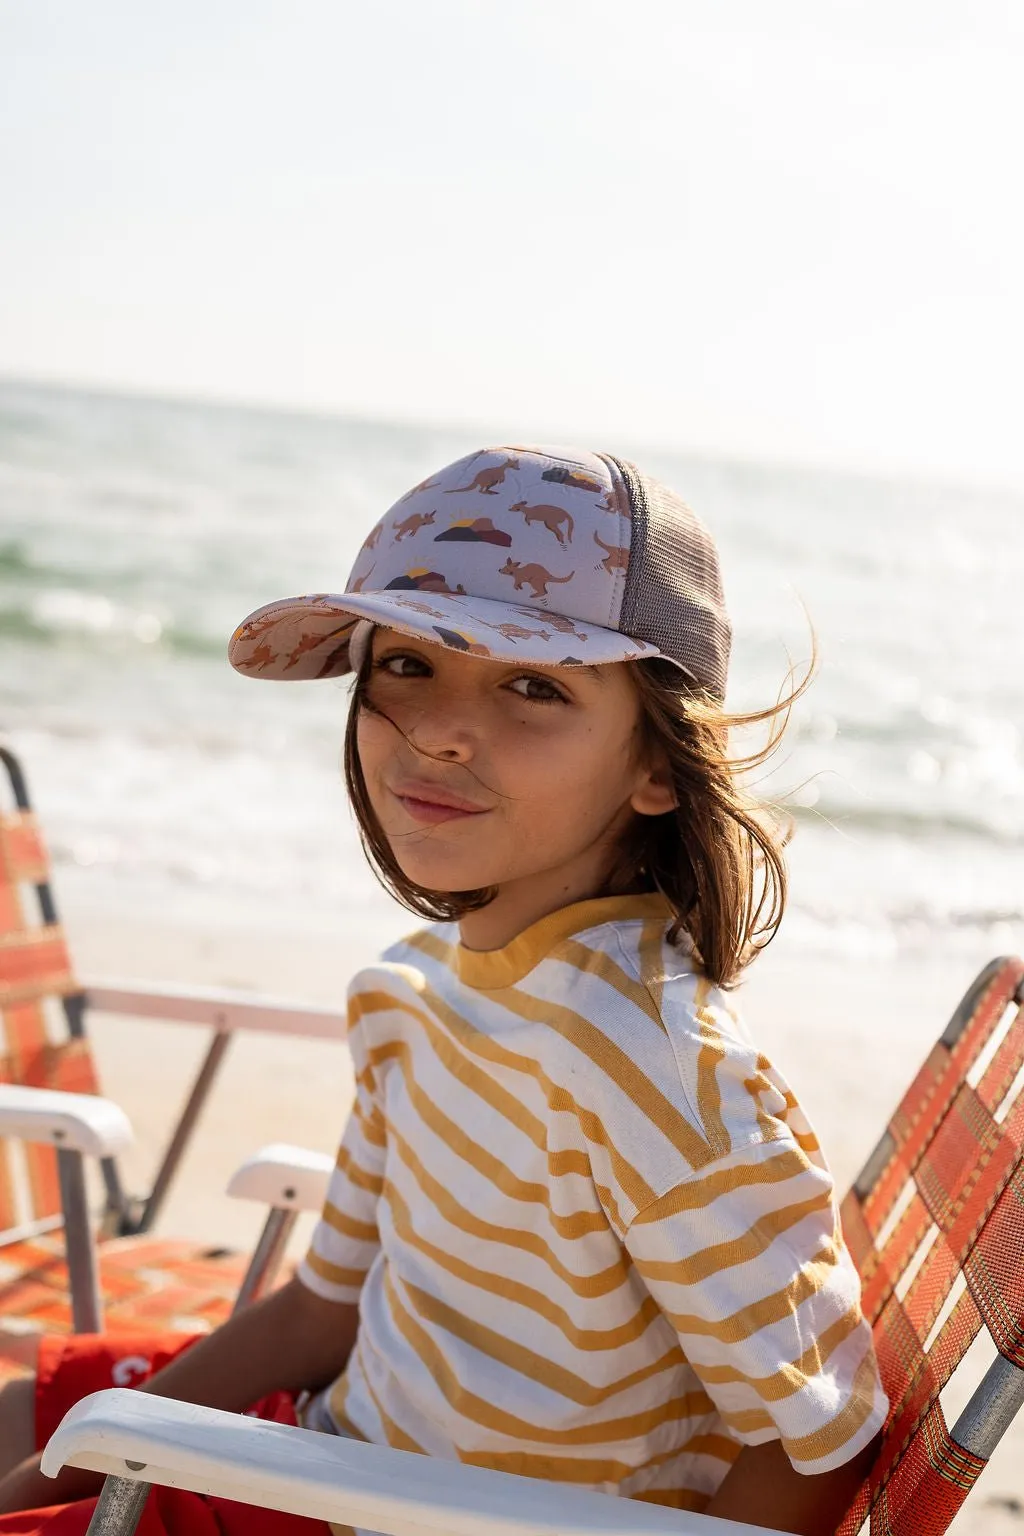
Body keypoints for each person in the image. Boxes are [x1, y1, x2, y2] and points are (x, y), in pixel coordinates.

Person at [0, 446, 886, 1535]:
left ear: (659, 765)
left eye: (532, 686)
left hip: (395, 1509)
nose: (434, 730)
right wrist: (58, 1473)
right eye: (406, 666)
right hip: (334, 1431)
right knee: (20, 1418)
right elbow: (326, 1307)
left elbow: (813, 1440)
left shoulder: (656, 1070)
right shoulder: (414, 990)